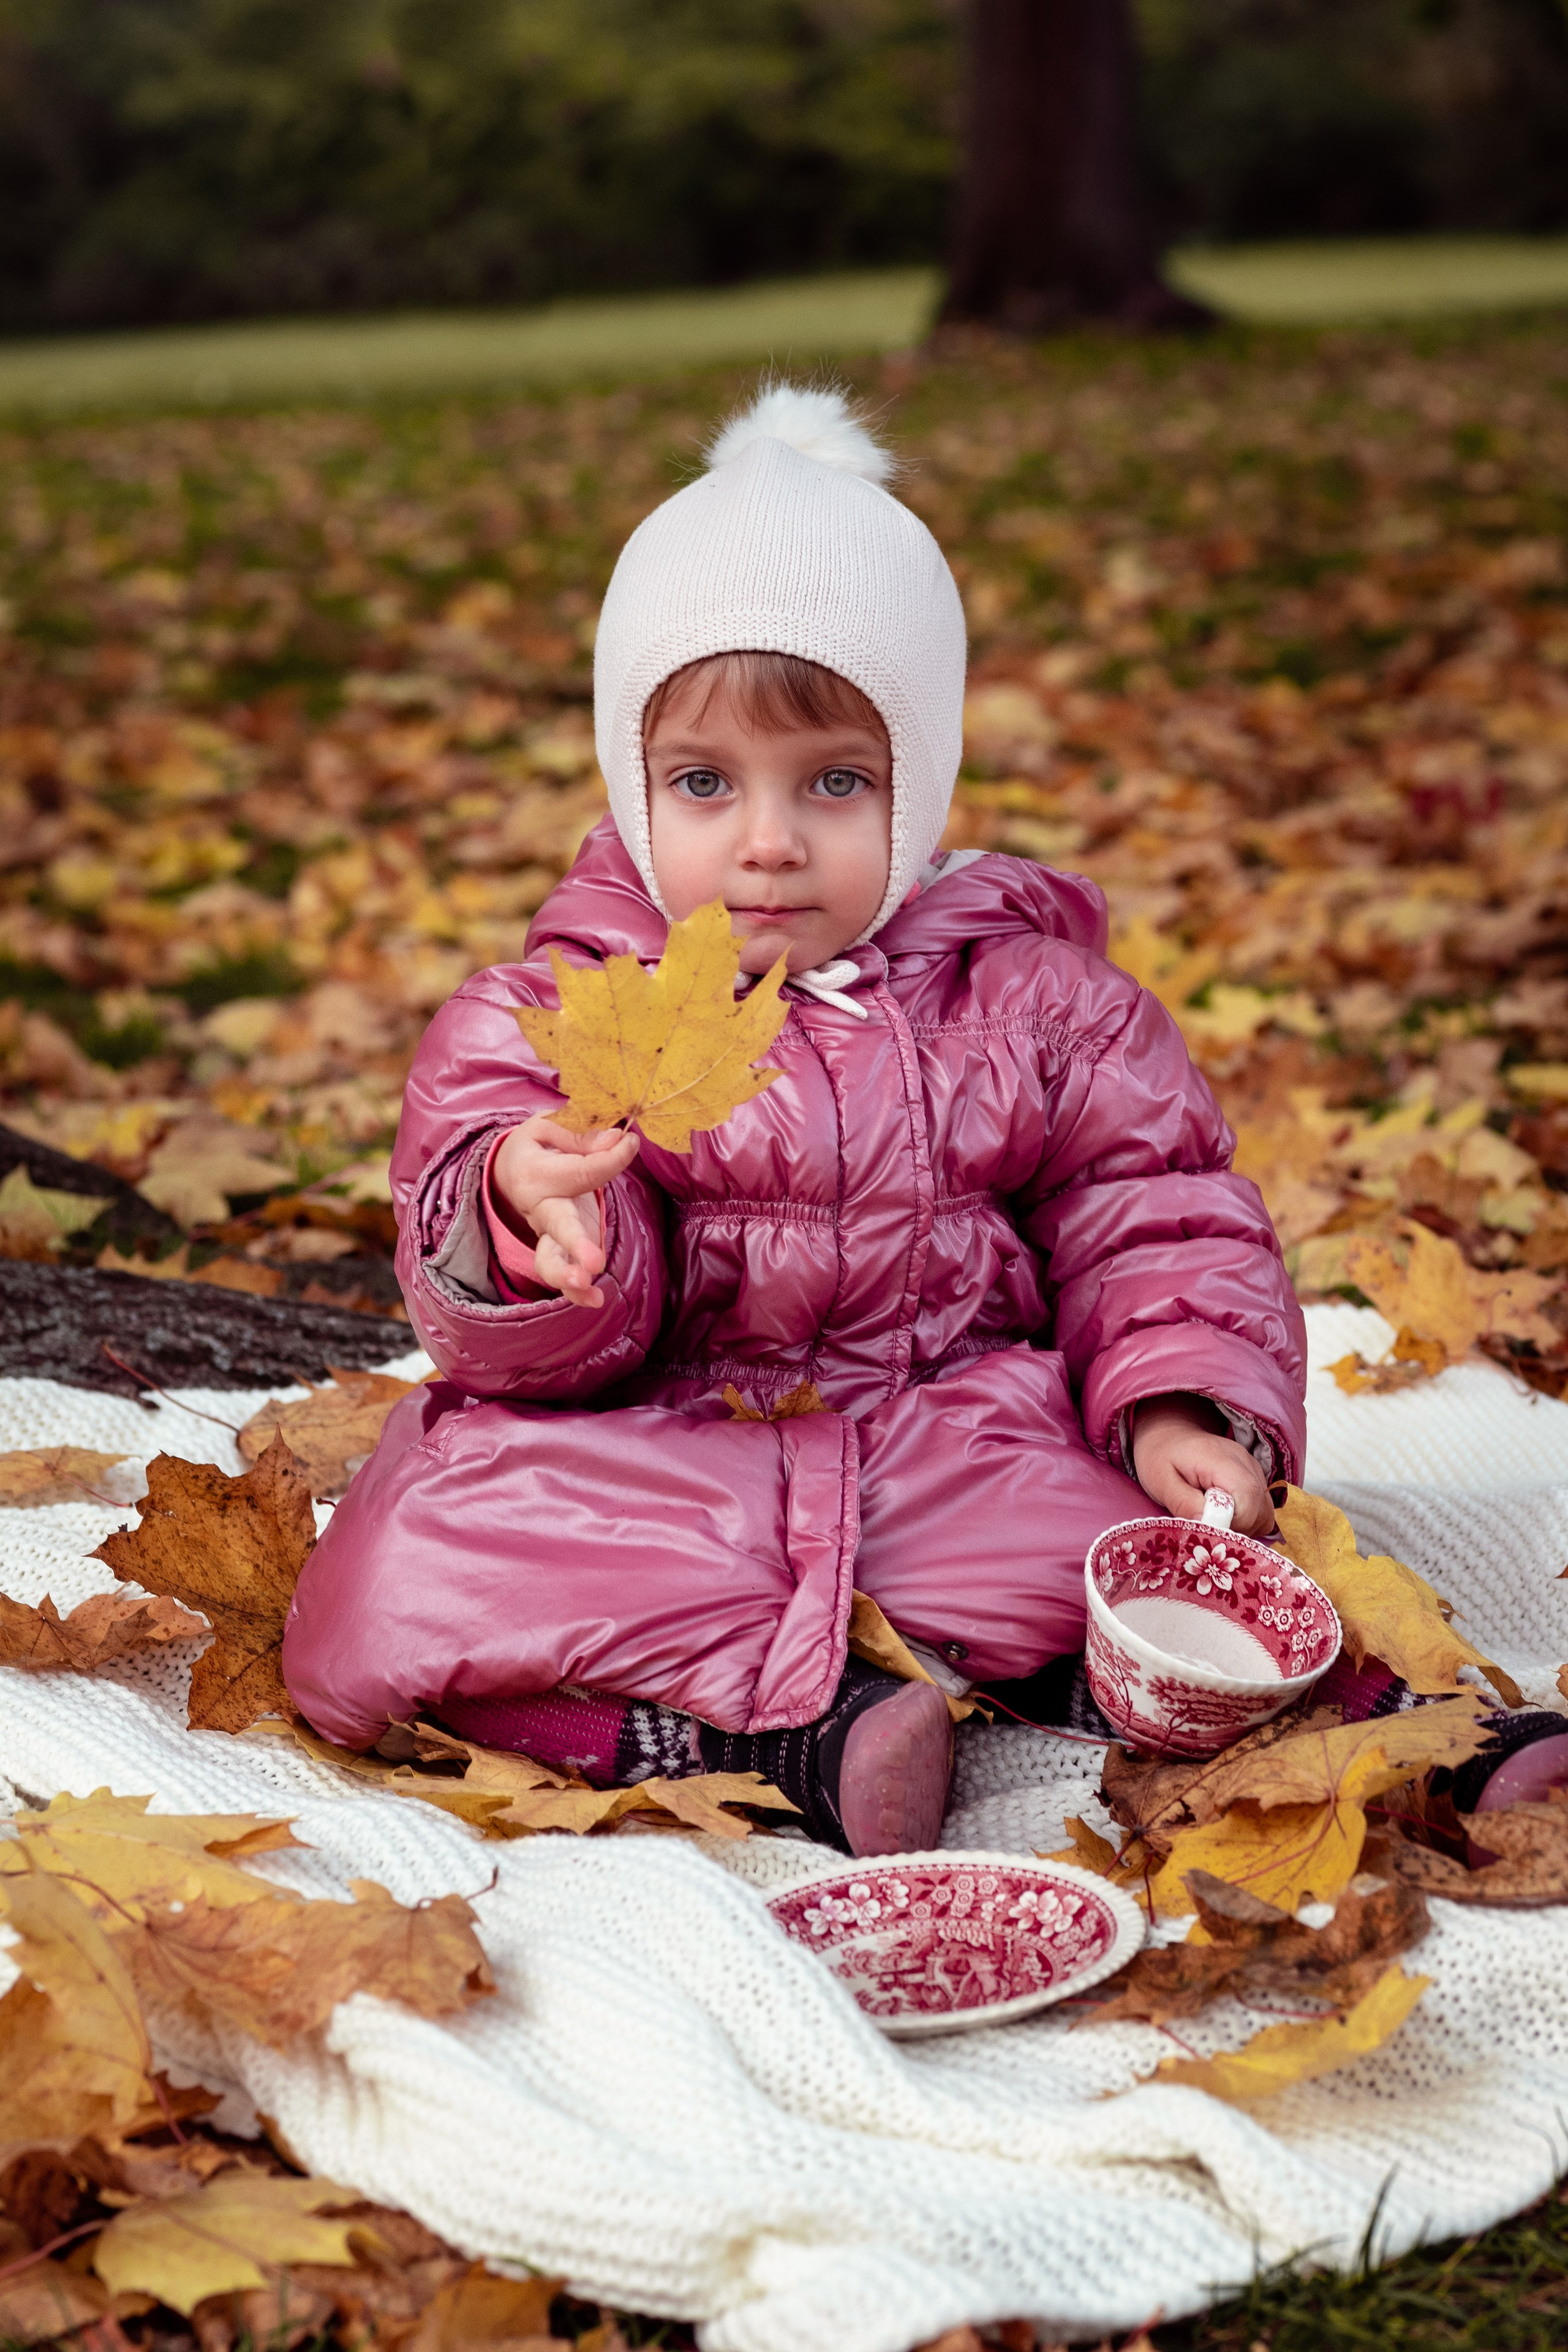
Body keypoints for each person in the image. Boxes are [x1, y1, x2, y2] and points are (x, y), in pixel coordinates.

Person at [282, 384, 1306, 1855]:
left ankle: (1323, 1712)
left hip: (944, 1435)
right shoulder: (549, 1013)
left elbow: (1153, 1208)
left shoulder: (1035, 1003)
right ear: (634, 790)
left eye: (835, 781)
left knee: (1165, 1546)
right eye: (704, 782)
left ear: (921, 784)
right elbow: (502, 1246)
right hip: (658, 1457)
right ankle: (757, 1742)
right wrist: (526, 1214)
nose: (767, 840)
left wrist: (1177, 1400)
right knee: (394, 1579)